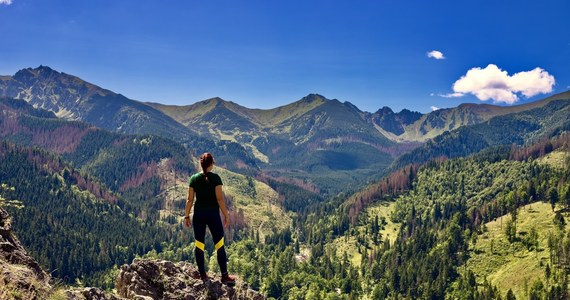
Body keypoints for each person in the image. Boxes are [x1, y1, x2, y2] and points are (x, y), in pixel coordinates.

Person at [184, 152, 235, 286]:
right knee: (219, 244)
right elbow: (219, 199)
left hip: (199, 215)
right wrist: (226, 215)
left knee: (199, 244)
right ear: (211, 164)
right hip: (213, 215)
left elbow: (190, 200)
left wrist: (186, 215)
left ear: (201, 164)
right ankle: (224, 276)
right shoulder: (216, 178)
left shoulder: (194, 179)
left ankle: (203, 275)